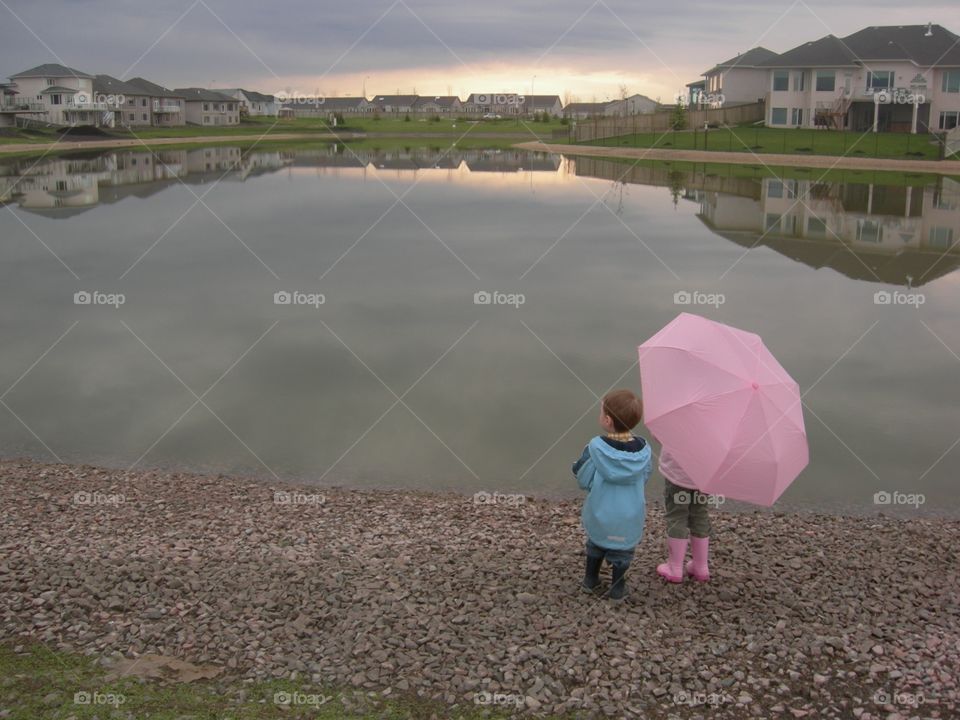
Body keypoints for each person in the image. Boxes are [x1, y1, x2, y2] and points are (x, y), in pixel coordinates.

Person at [572, 389, 652, 601]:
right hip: (629, 513)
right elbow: (646, 475)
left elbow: (583, 477)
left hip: (601, 510)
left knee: (595, 544)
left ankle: (590, 580)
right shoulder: (644, 450)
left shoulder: (595, 447)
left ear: (607, 420)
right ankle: (617, 588)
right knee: (623, 553)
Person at [656, 449, 711, 583]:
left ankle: (674, 568)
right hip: (706, 471)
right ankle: (701, 567)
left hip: (677, 473)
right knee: (700, 514)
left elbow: (658, 434)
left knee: (677, 515)